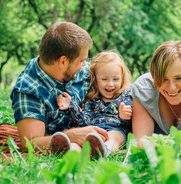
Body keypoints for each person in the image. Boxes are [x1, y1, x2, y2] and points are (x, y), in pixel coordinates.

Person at [10, 22, 109, 154]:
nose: (84, 65)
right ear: (63, 61)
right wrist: (71, 135)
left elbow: (114, 79)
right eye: (81, 61)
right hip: (68, 142)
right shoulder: (28, 90)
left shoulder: (83, 71)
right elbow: (30, 143)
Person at [57, 50, 133, 158]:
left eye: (116, 79)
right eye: (104, 79)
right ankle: (70, 150)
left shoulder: (126, 95)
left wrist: (124, 117)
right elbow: (84, 121)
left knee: (115, 136)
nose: (110, 84)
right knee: (81, 141)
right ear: (95, 78)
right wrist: (71, 106)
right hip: (93, 132)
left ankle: (104, 150)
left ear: (122, 78)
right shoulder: (91, 98)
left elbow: (131, 124)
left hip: (116, 129)